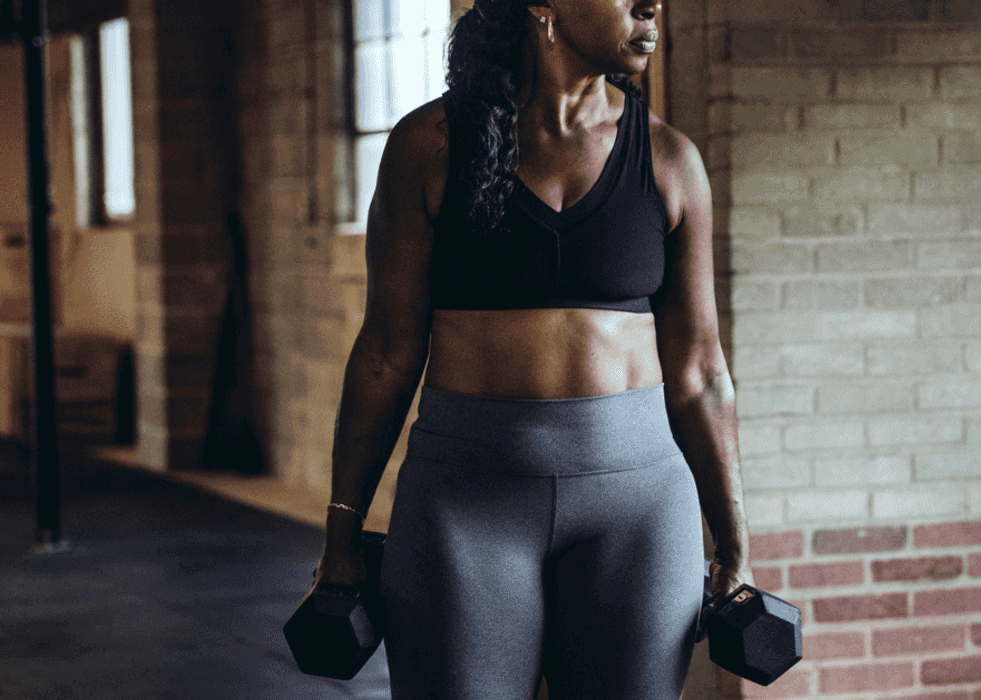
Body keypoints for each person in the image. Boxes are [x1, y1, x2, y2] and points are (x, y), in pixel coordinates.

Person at [315, 0, 753, 697]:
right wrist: (340, 535)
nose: (652, 6)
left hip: (638, 513)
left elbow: (700, 371)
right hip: (464, 505)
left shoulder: (670, 159)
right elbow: (385, 353)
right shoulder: (428, 145)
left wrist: (734, 546)